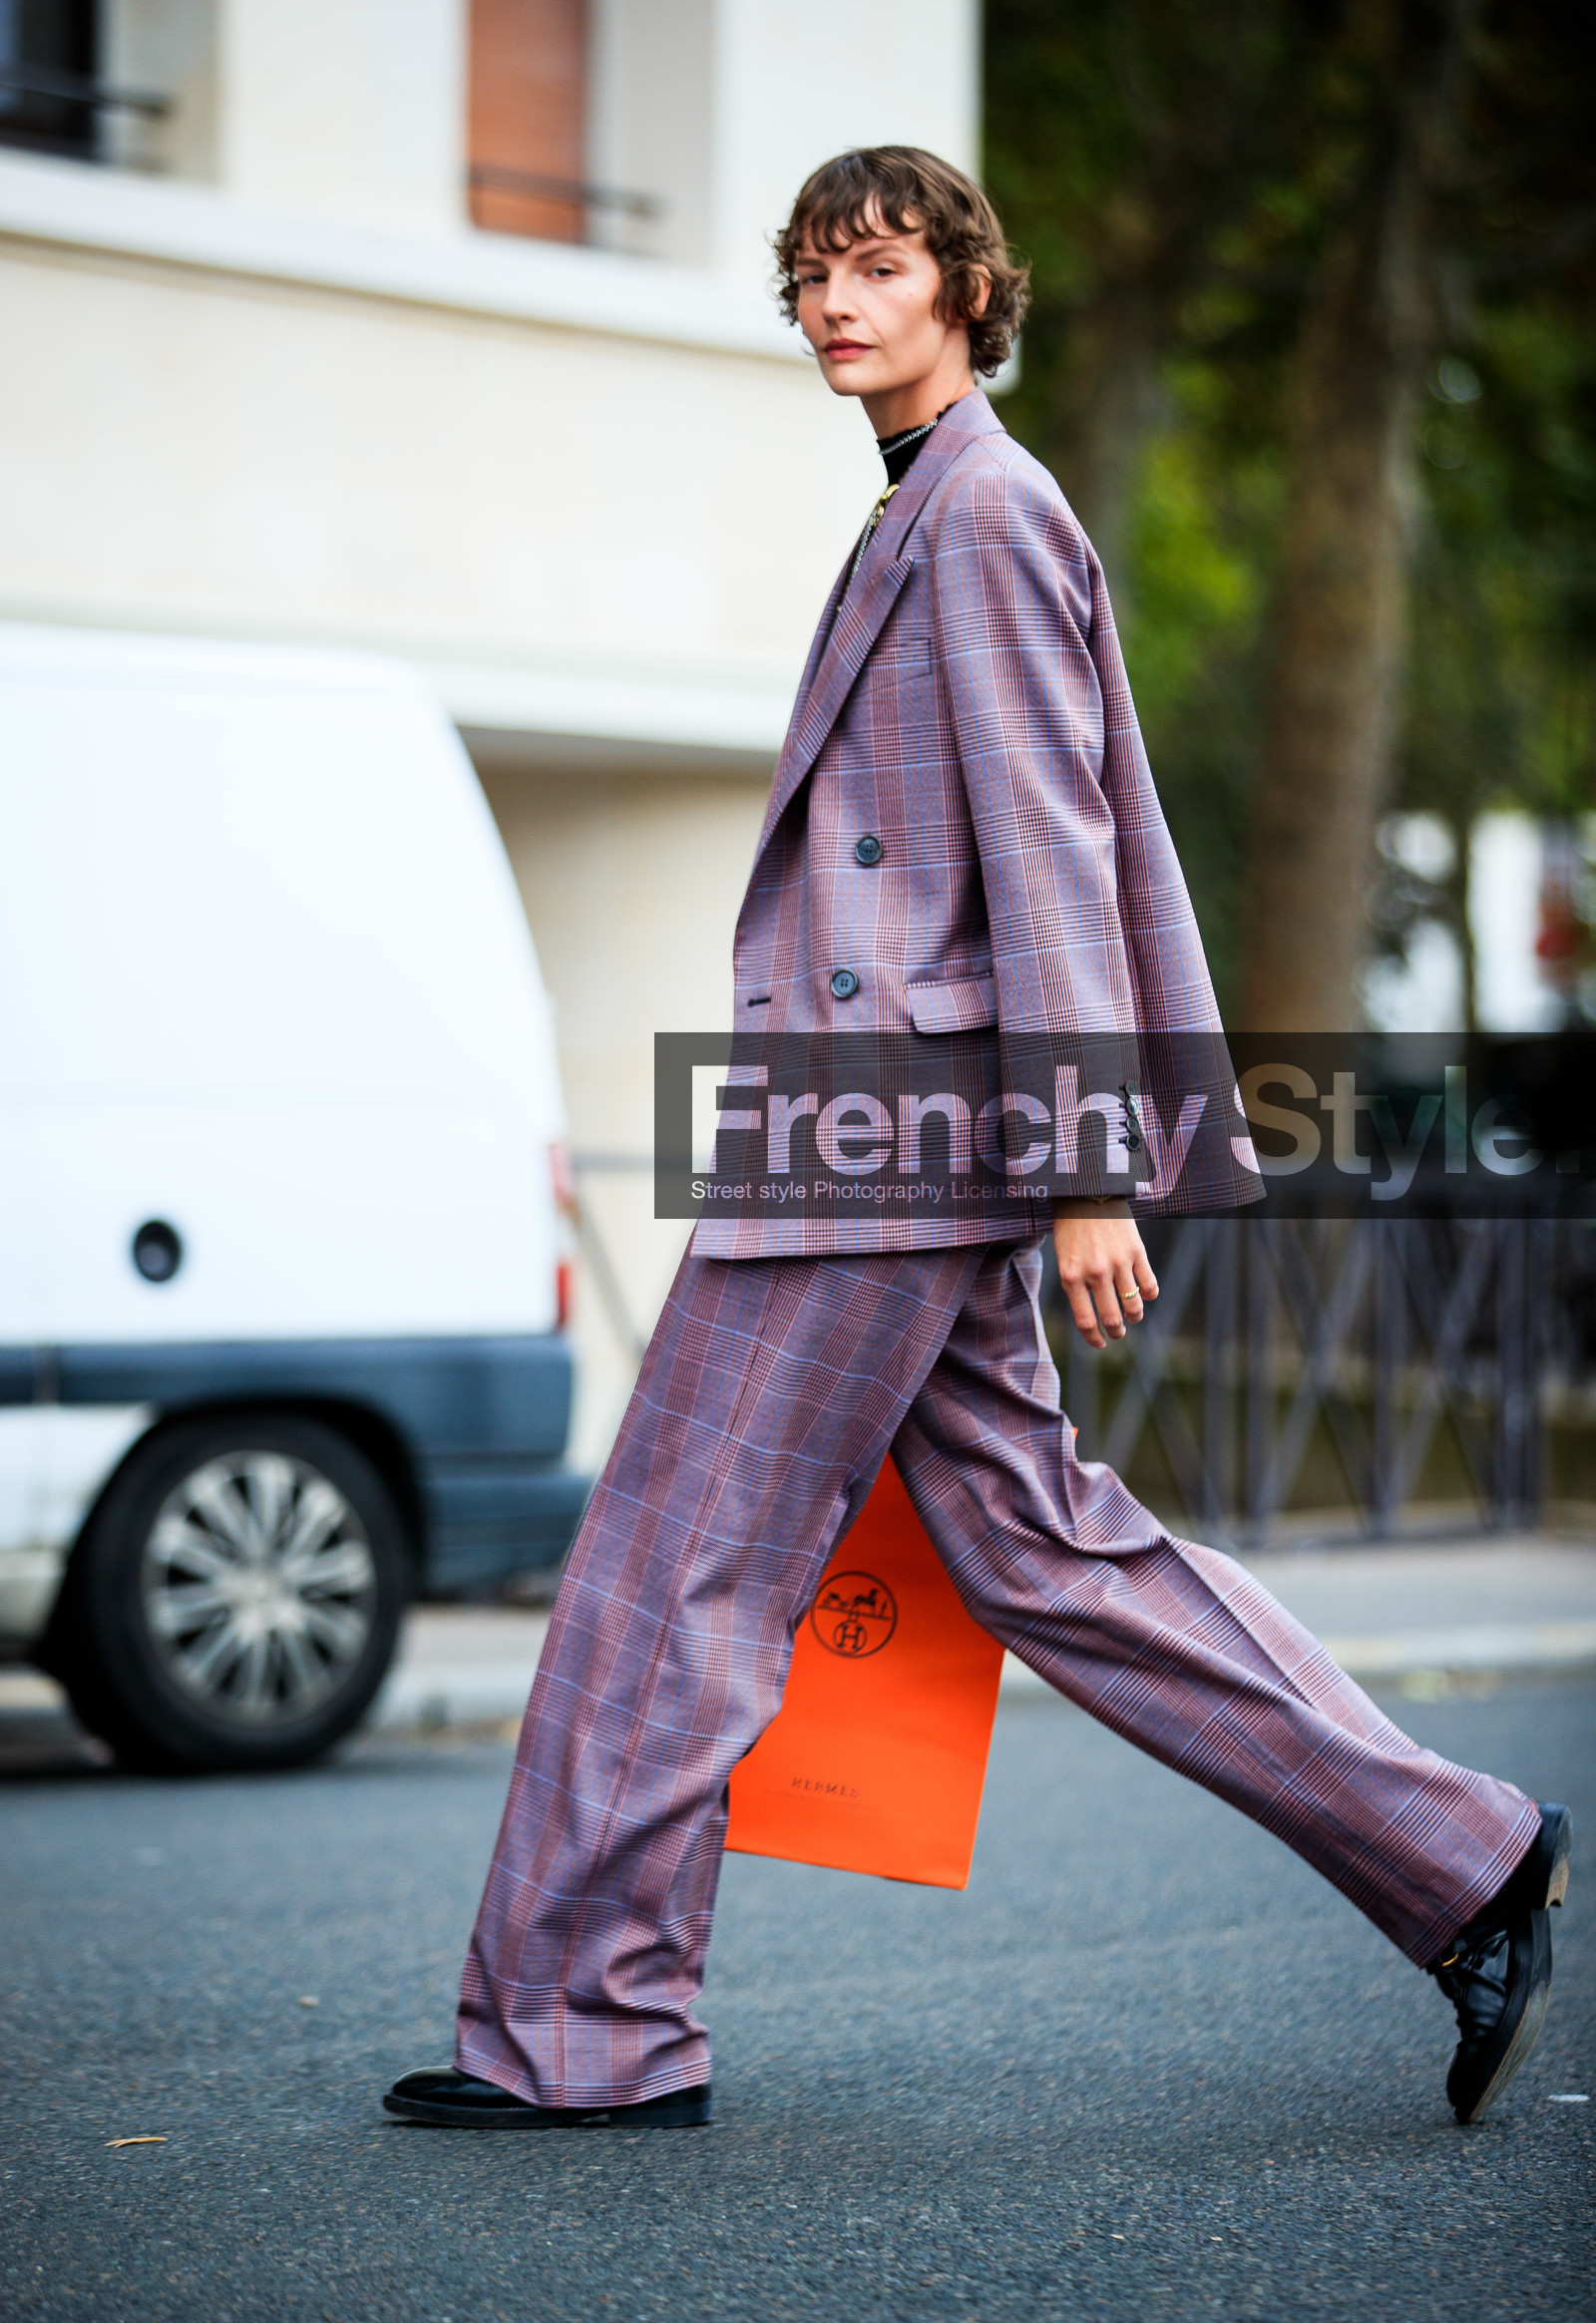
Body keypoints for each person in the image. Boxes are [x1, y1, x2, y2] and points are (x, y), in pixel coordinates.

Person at [385, 148, 1568, 2135]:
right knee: (1047, 1550)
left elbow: (1050, 844)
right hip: (891, 1128)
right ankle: (1467, 1858)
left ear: (962, 286)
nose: (835, 304)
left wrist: (1090, 1167)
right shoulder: (929, 499)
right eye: (810, 275)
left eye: (876, 266)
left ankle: (588, 2030)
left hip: (877, 1143)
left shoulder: (986, 511)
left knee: (668, 1569)